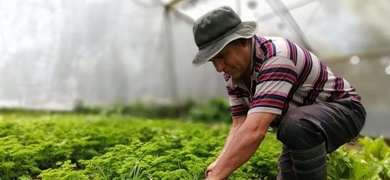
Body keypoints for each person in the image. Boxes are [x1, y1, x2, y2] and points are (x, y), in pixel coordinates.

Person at [191, 6, 366, 180]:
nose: (219, 68)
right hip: (300, 125)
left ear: (243, 40)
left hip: (345, 110)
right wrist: (219, 163)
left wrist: (217, 177)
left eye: (222, 56)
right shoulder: (233, 74)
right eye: (213, 61)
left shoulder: (277, 57)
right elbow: (240, 124)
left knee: (295, 125)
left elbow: (255, 129)